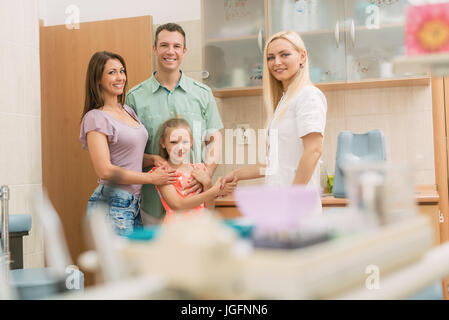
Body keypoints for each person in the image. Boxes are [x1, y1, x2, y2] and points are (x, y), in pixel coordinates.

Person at [126, 23, 224, 224]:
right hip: (152, 204)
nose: (170, 51)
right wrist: (153, 159)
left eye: (177, 46)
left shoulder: (202, 94)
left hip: (195, 205)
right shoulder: (134, 98)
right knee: (157, 256)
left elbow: (215, 141)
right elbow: (128, 155)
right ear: (155, 49)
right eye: (164, 45)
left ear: (184, 51)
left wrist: (205, 174)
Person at [224, 31, 327, 213]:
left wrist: (292, 201)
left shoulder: (308, 95)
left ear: (302, 56)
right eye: (271, 57)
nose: (276, 62)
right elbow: (276, 164)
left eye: (284, 54)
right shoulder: (285, 100)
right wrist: (237, 174)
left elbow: (314, 150)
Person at [79, 51, 178, 236]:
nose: (120, 77)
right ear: (97, 78)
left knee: (133, 262)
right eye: (112, 72)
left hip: (132, 203)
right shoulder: (95, 118)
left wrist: (153, 159)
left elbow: (127, 157)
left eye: (122, 71)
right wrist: (151, 178)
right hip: (111, 203)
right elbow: (105, 170)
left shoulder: (127, 110)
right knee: (121, 264)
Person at [149, 118, 236, 223]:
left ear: (191, 142)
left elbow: (210, 210)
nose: (180, 147)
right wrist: (213, 191)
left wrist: (207, 184)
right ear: (163, 143)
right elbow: (178, 205)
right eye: (173, 142)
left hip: (201, 229)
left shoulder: (200, 169)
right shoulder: (162, 173)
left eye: (185, 141)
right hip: (177, 231)